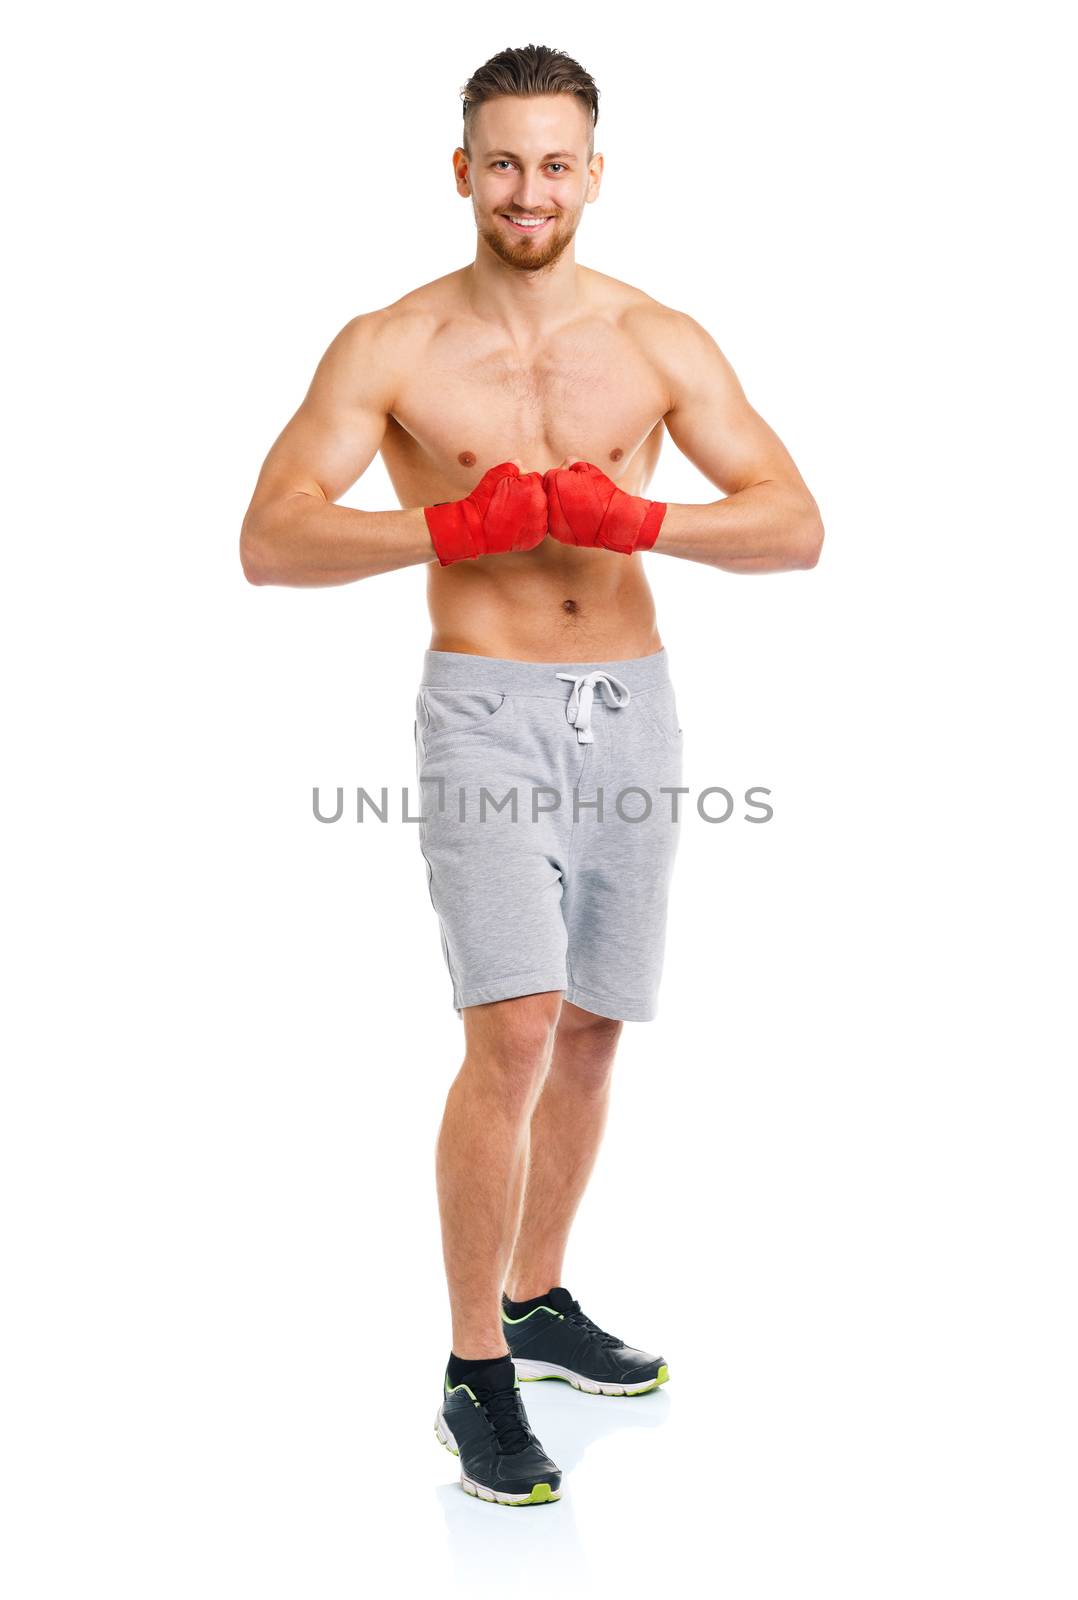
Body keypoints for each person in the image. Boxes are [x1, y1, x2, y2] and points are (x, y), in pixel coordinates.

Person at [240, 43, 823, 1507]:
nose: (527, 190)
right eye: (501, 161)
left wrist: (644, 520)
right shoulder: (390, 345)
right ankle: (471, 1373)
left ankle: (538, 1298)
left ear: (593, 174)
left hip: (631, 704)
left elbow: (793, 524)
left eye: (554, 163)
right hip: (484, 706)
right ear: (460, 171)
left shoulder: (656, 338)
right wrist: (441, 534)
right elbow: (272, 540)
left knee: (593, 1028)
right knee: (512, 1025)